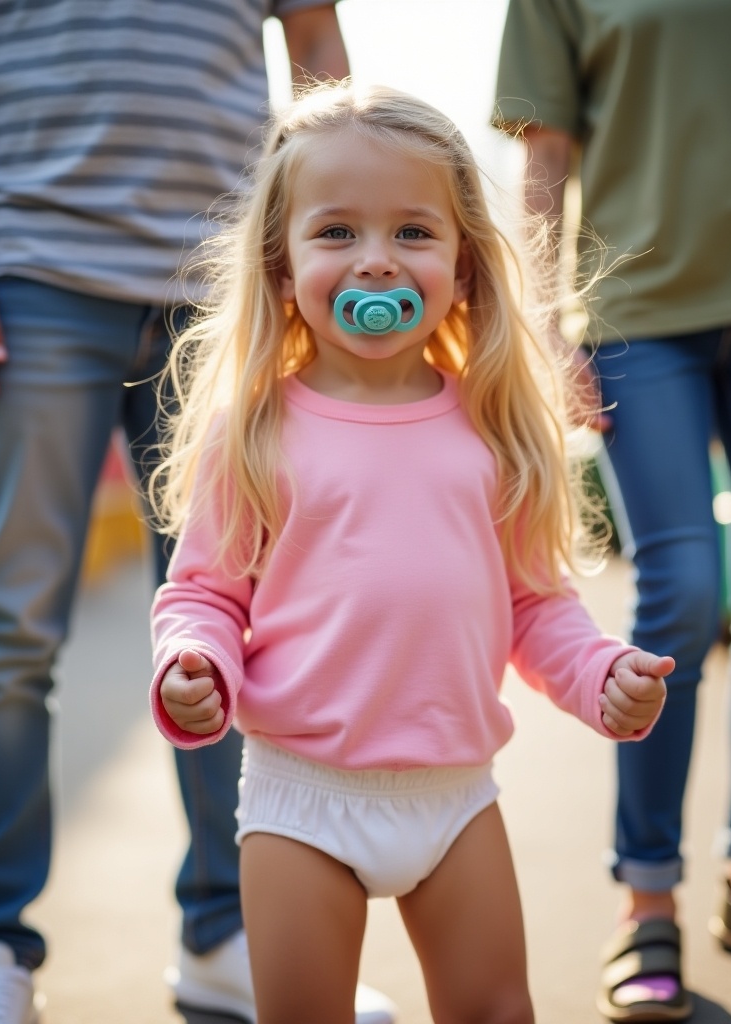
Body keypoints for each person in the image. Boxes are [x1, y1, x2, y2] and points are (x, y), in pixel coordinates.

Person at [0, 2, 397, 1023]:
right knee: (10, 620)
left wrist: (332, 237)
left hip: (225, 289)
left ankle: (227, 926)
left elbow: (315, 42)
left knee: (247, 621)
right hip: (25, 271)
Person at [146, 82, 674, 1024]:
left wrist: (600, 673)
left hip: (455, 796)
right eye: (338, 232)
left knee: (498, 1012)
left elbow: (535, 604)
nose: (377, 262)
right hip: (301, 798)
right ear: (281, 265)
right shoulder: (256, 428)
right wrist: (196, 666)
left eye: (414, 234)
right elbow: (205, 595)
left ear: (465, 266)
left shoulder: (491, 427)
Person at [492, 1, 731, 1020]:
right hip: (638, 324)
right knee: (676, 593)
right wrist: (540, 321)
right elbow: (546, 156)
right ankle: (647, 900)